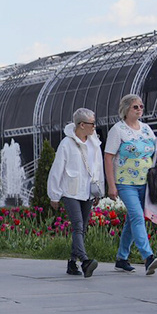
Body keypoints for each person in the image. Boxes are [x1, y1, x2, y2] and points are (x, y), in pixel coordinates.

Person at [104, 94, 157, 275]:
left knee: (132, 220)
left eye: (141, 106)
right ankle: (148, 257)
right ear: (126, 110)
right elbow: (108, 157)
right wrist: (111, 185)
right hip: (125, 182)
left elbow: (155, 150)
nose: (140, 110)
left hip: (146, 182)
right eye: (135, 107)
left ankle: (122, 258)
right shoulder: (118, 130)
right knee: (137, 216)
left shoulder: (146, 128)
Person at [47, 108, 103, 278]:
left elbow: (98, 168)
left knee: (82, 228)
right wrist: (54, 194)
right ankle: (85, 261)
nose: (94, 127)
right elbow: (57, 169)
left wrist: (98, 191)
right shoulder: (66, 144)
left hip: (87, 192)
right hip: (70, 191)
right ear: (81, 125)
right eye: (92, 123)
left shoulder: (94, 143)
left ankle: (72, 263)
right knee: (78, 225)